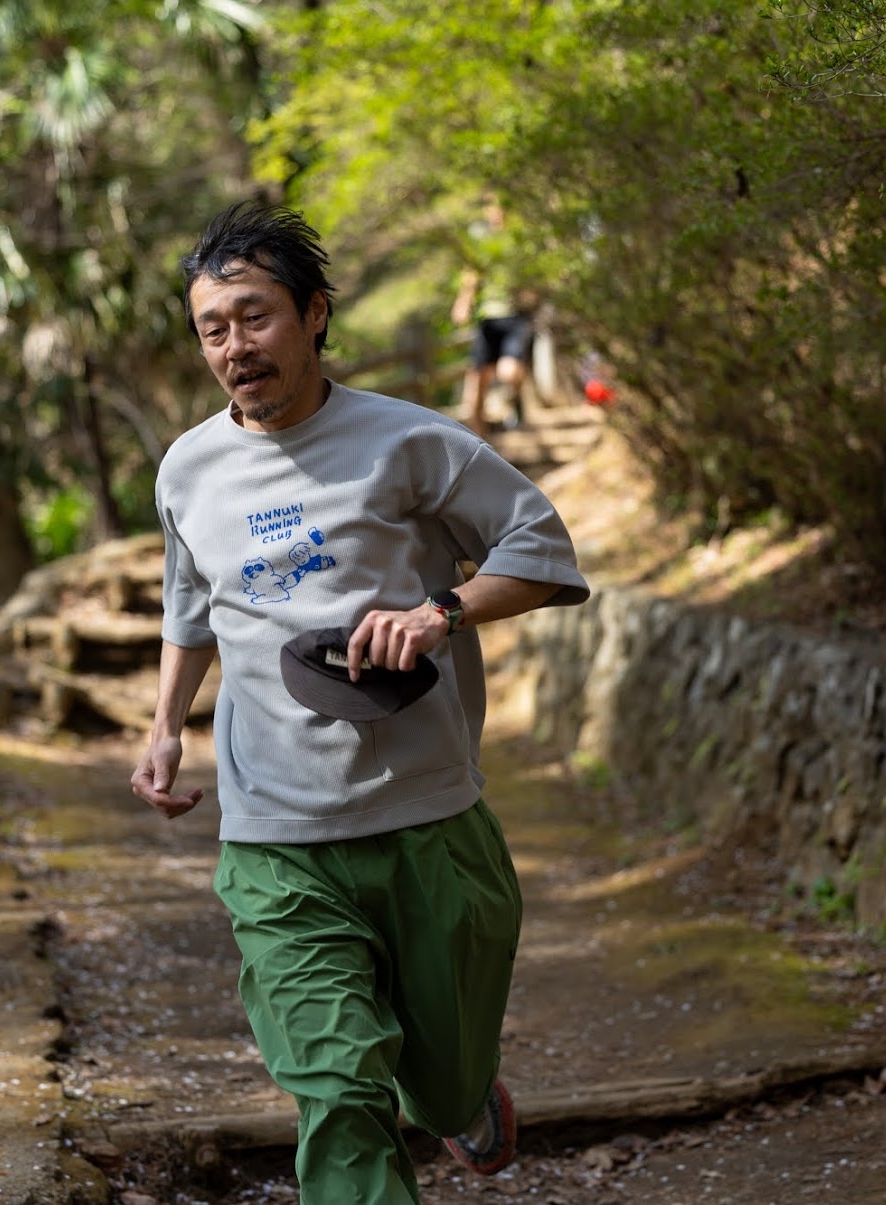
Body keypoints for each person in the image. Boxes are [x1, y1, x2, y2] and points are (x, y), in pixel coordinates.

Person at [130, 200, 589, 1204]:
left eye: (255, 317)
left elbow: (542, 550)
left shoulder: (409, 441)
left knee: (442, 1076)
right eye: (213, 328)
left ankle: (460, 1095)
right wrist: (164, 729)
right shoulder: (188, 470)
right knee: (337, 1091)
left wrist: (439, 613)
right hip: (276, 839)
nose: (235, 347)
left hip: (428, 818)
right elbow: (190, 607)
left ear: (313, 314)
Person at [451, 198, 541, 436]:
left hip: (516, 316)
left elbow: (536, 274)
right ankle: (477, 442)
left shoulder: (520, 240)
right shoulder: (481, 240)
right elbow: (472, 275)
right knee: (476, 385)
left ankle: (514, 401)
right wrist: (463, 302)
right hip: (488, 318)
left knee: (508, 372)